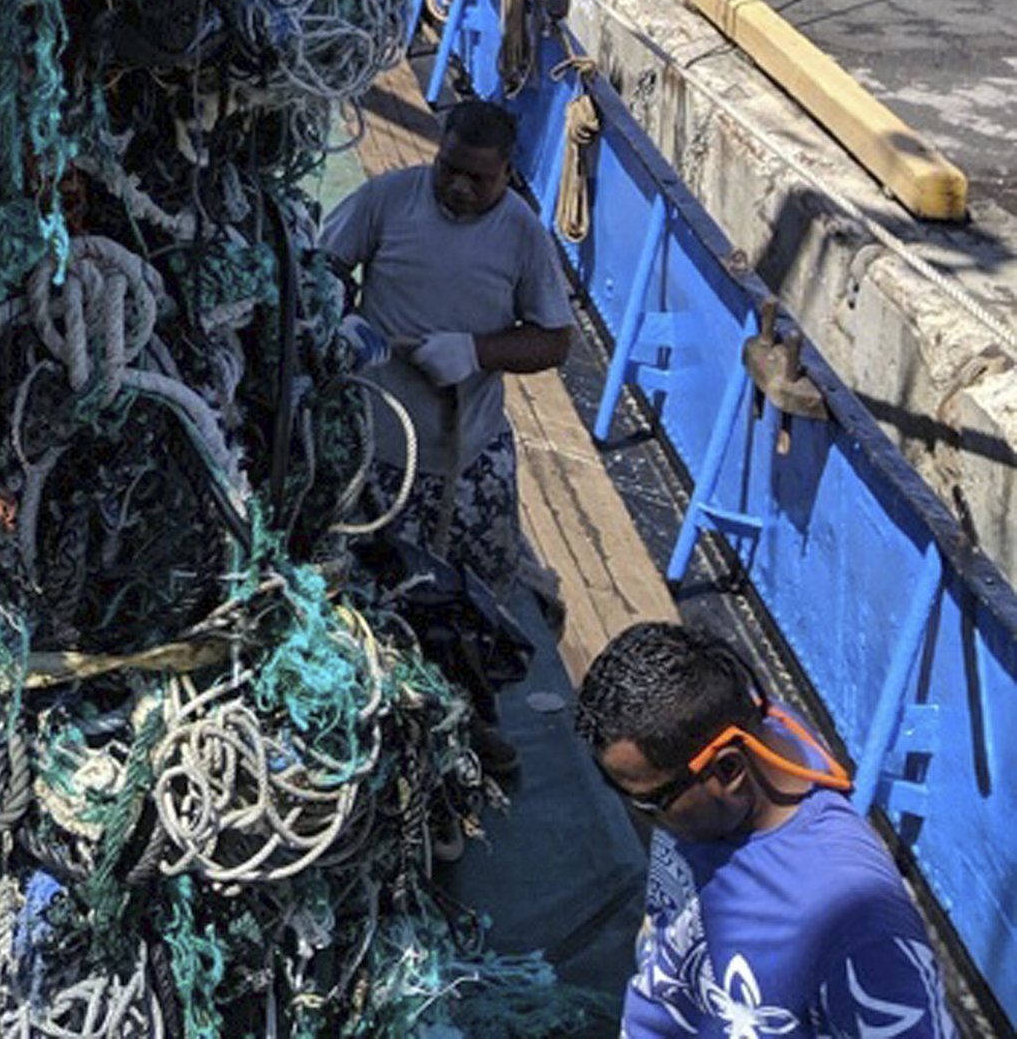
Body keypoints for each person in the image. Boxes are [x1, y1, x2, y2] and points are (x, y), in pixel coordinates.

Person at [576, 622, 954, 1039]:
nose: (640, 815)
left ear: (728, 769)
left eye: (651, 802)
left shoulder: (858, 926)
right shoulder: (759, 725)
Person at [322, 97, 575, 612]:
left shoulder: (523, 235)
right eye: (449, 169)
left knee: (473, 594)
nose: (459, 186)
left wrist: (476, 352)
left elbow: (554, 338)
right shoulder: (388, 198)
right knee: (355, 585)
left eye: (478, 179)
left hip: (465, 451)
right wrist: (343, 318)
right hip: (373, 443)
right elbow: (322, 264)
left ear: (507, 172)